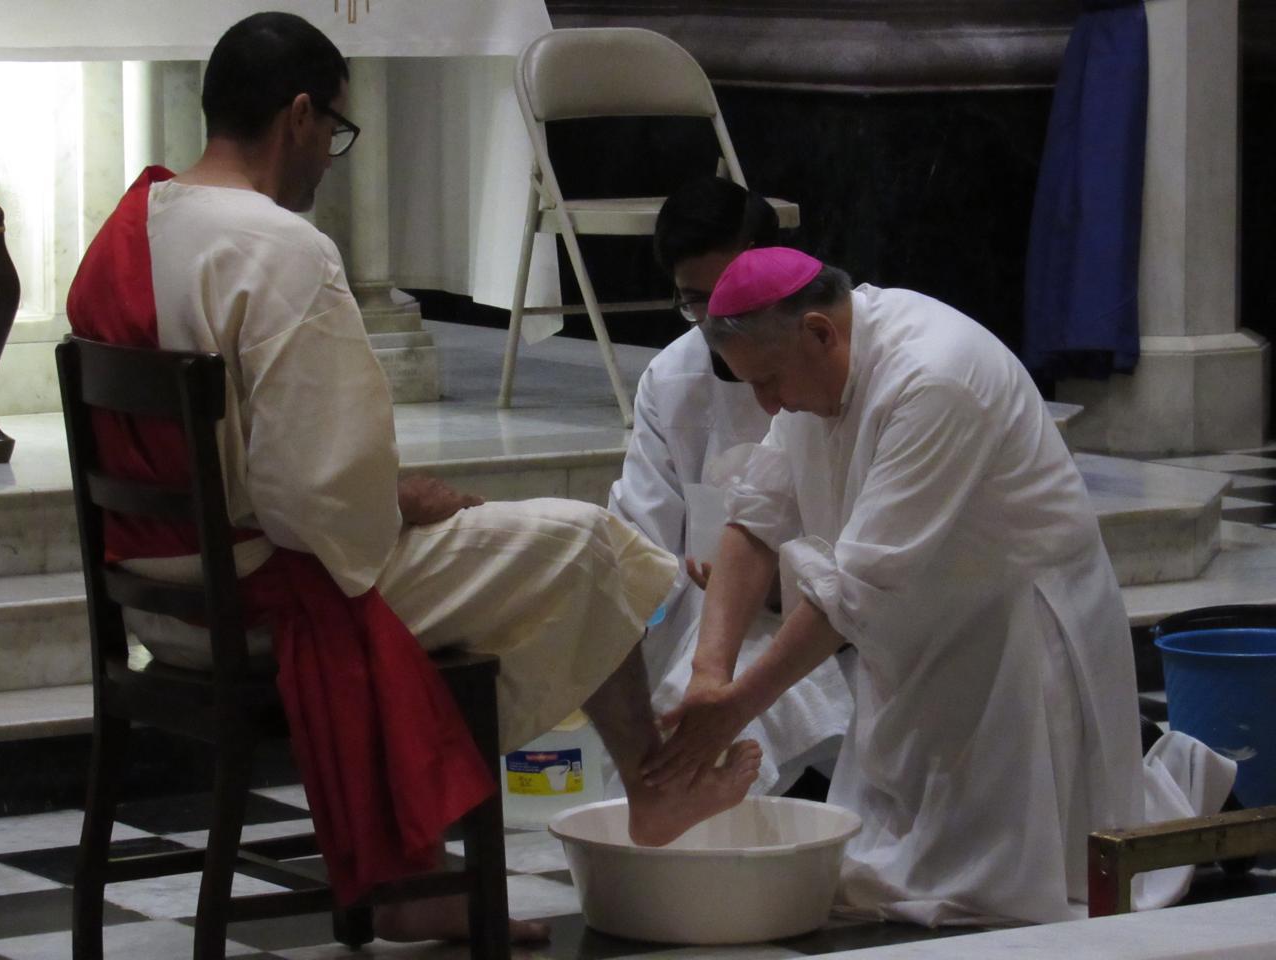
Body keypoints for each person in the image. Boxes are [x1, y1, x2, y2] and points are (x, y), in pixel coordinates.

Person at [65, 12, 760, 945]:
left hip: (159, 602)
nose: (329, 160)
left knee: (498, 557)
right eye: (336, 136)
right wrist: (404, 499)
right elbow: (316, 501)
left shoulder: (129, 223)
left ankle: (422, 869)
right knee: (586, 543)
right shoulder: (279, 250)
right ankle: (650, 788)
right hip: (265, 592)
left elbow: (260, 460)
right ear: (302, 116)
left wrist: (373, 495)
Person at [641, 247, 1237, 925]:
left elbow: (850, 594)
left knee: (989, 887)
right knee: (892, 854)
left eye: (770, 380)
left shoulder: (935, 377)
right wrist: (708, 676)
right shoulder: (815, 366)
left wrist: (737, 706)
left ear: (819, 332)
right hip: (913, 622)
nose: (768, 403)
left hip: (1016, 623)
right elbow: (756, 520)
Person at [608, 178, 849, 797]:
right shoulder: (673, 379)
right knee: (674, 699)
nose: (718, 324)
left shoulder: (829, 363)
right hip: (712, 612)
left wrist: (782, 582)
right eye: (697, 303)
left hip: (833, 615)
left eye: (733, 298)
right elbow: (645, 537)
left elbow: (867, 550)